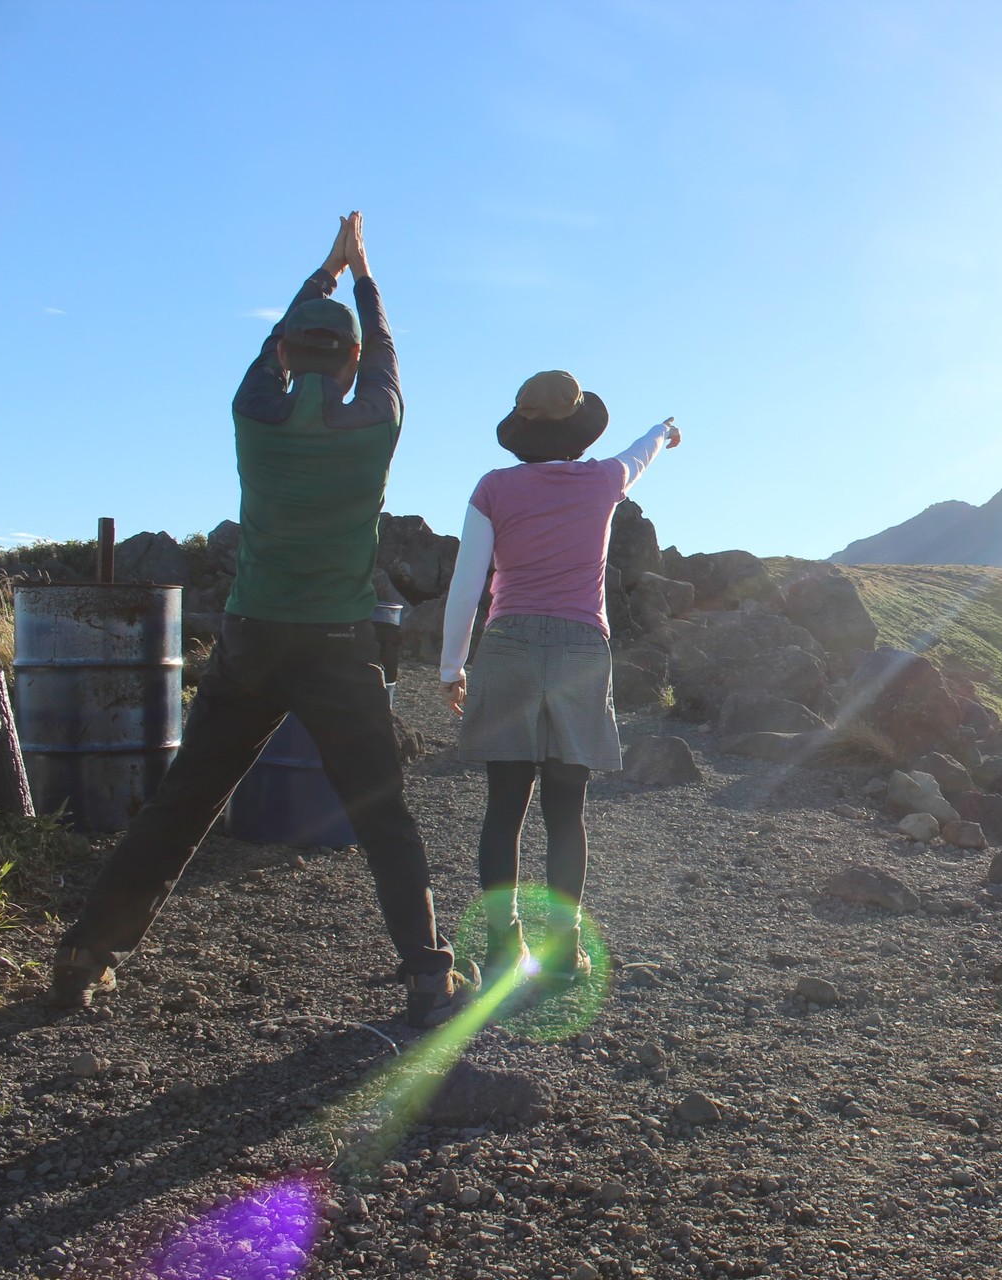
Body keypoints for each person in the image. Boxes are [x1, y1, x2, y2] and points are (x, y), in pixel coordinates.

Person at [46, 214, 477, 1029]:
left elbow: (287, 341)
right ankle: (429, 980)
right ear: (349, 361)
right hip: (340, 642)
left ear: (284, 355)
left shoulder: (253, 412)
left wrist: (323, 272)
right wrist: (364, 275)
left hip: (252, 636)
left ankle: (83, 956)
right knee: (382, 814)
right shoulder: (377, 419)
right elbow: (385, 347)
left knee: (183, 805)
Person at [438, 372, 680, 988]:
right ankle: (563, 952)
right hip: (579, 649)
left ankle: (500, 948)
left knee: (504, 809)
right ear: (577, 429)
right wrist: (666, 430)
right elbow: (640, 455)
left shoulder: (493, 488)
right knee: (566, 809)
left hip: (508, 645)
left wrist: (450, 666)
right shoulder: (603, 481)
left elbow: (468, 584)